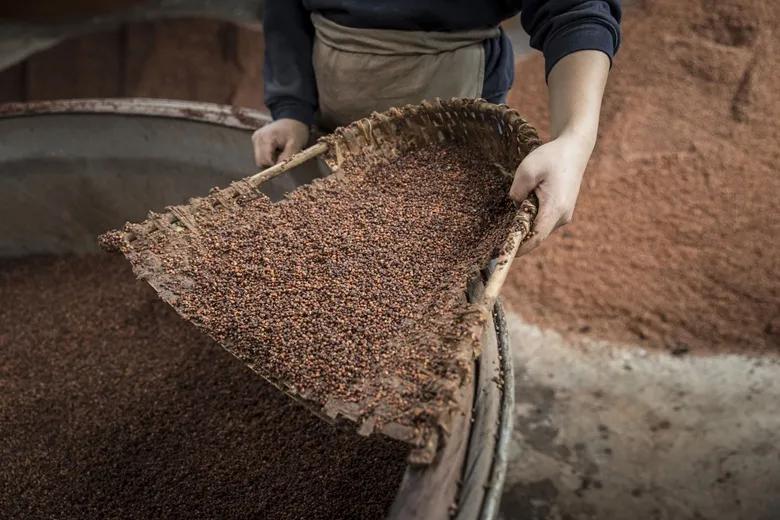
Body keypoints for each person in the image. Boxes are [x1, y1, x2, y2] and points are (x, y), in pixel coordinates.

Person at [252, 1, 621, 254]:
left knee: (439, 256)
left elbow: (574, 10)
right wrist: (293, 109)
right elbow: (285, 10)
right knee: (333, 246)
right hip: (334, 118)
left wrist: (575, 137)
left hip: (457, 123)